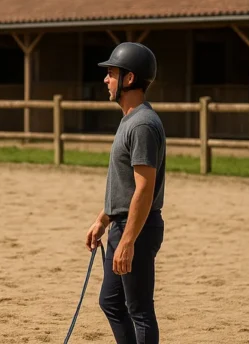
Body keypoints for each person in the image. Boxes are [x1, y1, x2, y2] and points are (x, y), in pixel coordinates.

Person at [84, 42, 166, 344]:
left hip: (137, 229)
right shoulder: (130, 120)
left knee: (140, 310)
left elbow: (145, 189)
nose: (106, 79)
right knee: (112, 302)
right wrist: (102, 221)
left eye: (111, 73)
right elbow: (125, 185)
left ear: (129, 79)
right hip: (122, 225)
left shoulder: (142, 124)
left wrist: (129, 240)